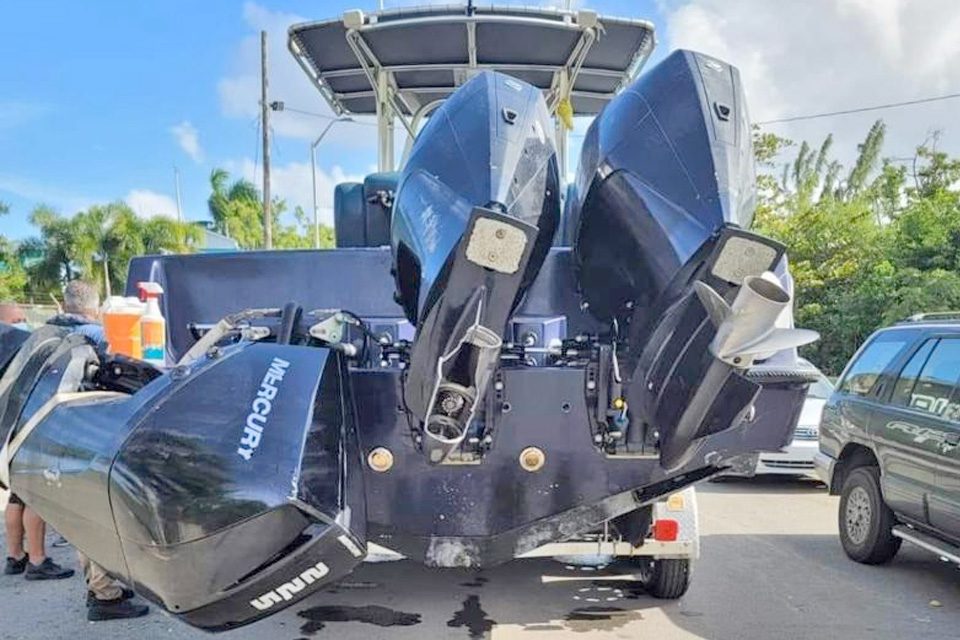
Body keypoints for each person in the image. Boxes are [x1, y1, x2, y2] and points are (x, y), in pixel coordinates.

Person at [47, 281, 149, 621]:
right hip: (92, 433)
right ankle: (105, 595)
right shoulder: (97, 334)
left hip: (56, 438)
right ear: (95, 307)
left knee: (82, 516)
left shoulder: (47, 333)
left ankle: (101, 586)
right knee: (101, 517)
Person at [2, 301, 76, 582]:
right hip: (27, 426)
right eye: (17, 319)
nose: (24, 324)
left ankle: (15, 555)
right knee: (36, 496)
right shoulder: (17, 349)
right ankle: (37, 559)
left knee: (16, 495)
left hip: (8, 431)